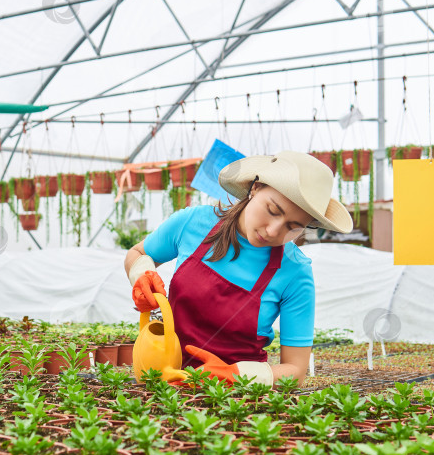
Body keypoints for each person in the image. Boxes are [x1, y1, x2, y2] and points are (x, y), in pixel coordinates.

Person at [124, 151, 352, 387]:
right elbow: (138, 253)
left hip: (235, 400)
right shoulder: (192, 223)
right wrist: (142, 276)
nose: (274, 231)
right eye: (273, 210)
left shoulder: (295, 272)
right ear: (255, 187)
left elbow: (295, 370)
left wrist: (236, 375)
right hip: (163, 379)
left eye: (293, 227)